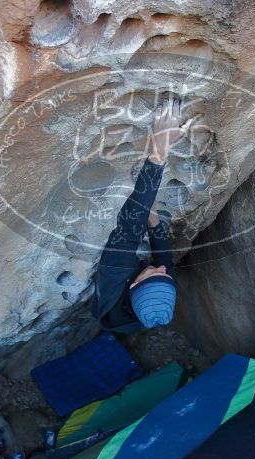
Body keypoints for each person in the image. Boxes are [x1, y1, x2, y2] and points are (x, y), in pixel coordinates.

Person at [91, 98, 191, 332]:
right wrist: (155, 225)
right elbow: (164, 260)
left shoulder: (114, 271)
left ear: (134, 283)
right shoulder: (159, 291)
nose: (163, 270)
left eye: (156, 274)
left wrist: (160, 149)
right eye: (166, 277)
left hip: (111, 294)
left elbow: (129, 223)